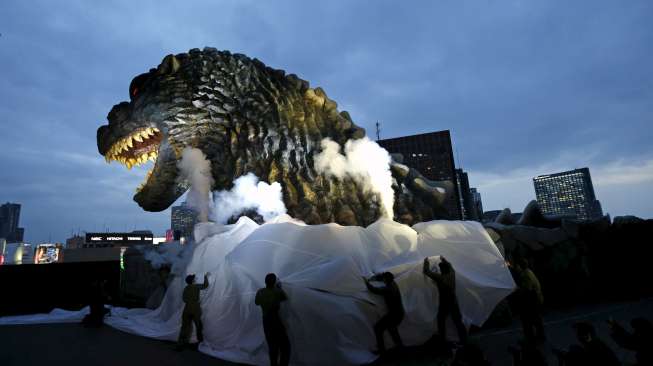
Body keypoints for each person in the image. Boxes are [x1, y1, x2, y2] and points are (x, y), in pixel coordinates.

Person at [423, 256, 467, 344]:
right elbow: (450, 266)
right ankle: (464, 340)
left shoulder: (440, 278)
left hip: (444, 302)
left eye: (440, 268)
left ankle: (442, 340)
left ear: (442, 269)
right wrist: (444, 259)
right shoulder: (452, 274)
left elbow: (426, 272)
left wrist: (426, 262)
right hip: (453, 301)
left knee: (441, 321)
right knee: (458, 321)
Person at [363, 271, 405, 354]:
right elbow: (382, 278)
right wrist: (374, 278)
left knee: (378, 328)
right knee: (392, 329)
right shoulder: (393, 283)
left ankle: (382, 350)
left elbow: (374, 290)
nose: (383, 280)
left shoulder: (388, 289)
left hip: (394, 314)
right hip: (399, 313)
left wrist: (366, 282)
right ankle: (400, 348)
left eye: (384, 279)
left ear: (386, 279)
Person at [255, 273, 291, 366]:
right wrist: (279, 288)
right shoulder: (277, 292)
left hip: (266, 321)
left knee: (272, 345)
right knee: (285, 345)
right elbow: (285, 298)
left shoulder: (260, 292)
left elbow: (257, 302)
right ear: (274, 282)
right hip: (275, 319)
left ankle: (273, 364)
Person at [512, 258, 545, 342]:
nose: (516, 268)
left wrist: (516, 289)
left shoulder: (525, 275)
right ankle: (538, 337)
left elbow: (527, 289)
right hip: (535, 300)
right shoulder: (528, 272)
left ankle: (532, 338)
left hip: (532, 301)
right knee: (536, 320)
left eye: (517, 266)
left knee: (528, 321)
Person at [177, 272, 210, 350]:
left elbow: (184, 299)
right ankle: (200, 343)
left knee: (184, 327)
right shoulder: (196, 287)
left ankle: (180, 344)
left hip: (187, 309)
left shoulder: (186, 288)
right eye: (194, 279)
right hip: (195, 309)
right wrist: (205, 277)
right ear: (192, 281)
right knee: (199, 326)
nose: (195, 279)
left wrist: (189, 301)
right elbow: (205, 285)